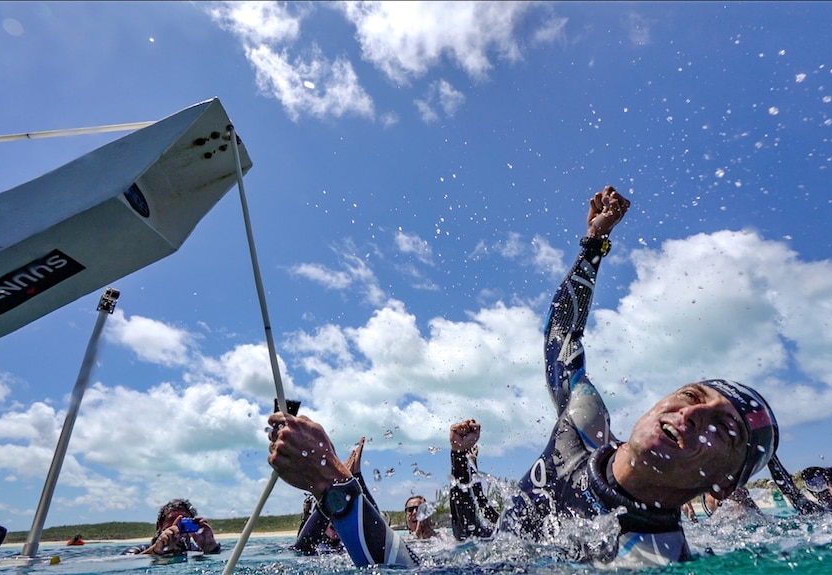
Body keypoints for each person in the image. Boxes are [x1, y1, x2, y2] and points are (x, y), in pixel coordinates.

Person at [267, 186, 783, 568]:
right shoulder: (585, 422)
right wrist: (594, 245)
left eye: (724, 428)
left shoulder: (651, 558)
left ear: (723, 482)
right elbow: (563, 333)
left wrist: (333, 486)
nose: (692, 414)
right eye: (693, 395)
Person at [122, 498, 221, 556]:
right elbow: (122, 563)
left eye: (184, 521)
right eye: (171, 519)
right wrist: (156, 551)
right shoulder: (137, 551)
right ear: (159, 526)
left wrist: (211, 548)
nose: (177, 524)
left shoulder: (196, 552)